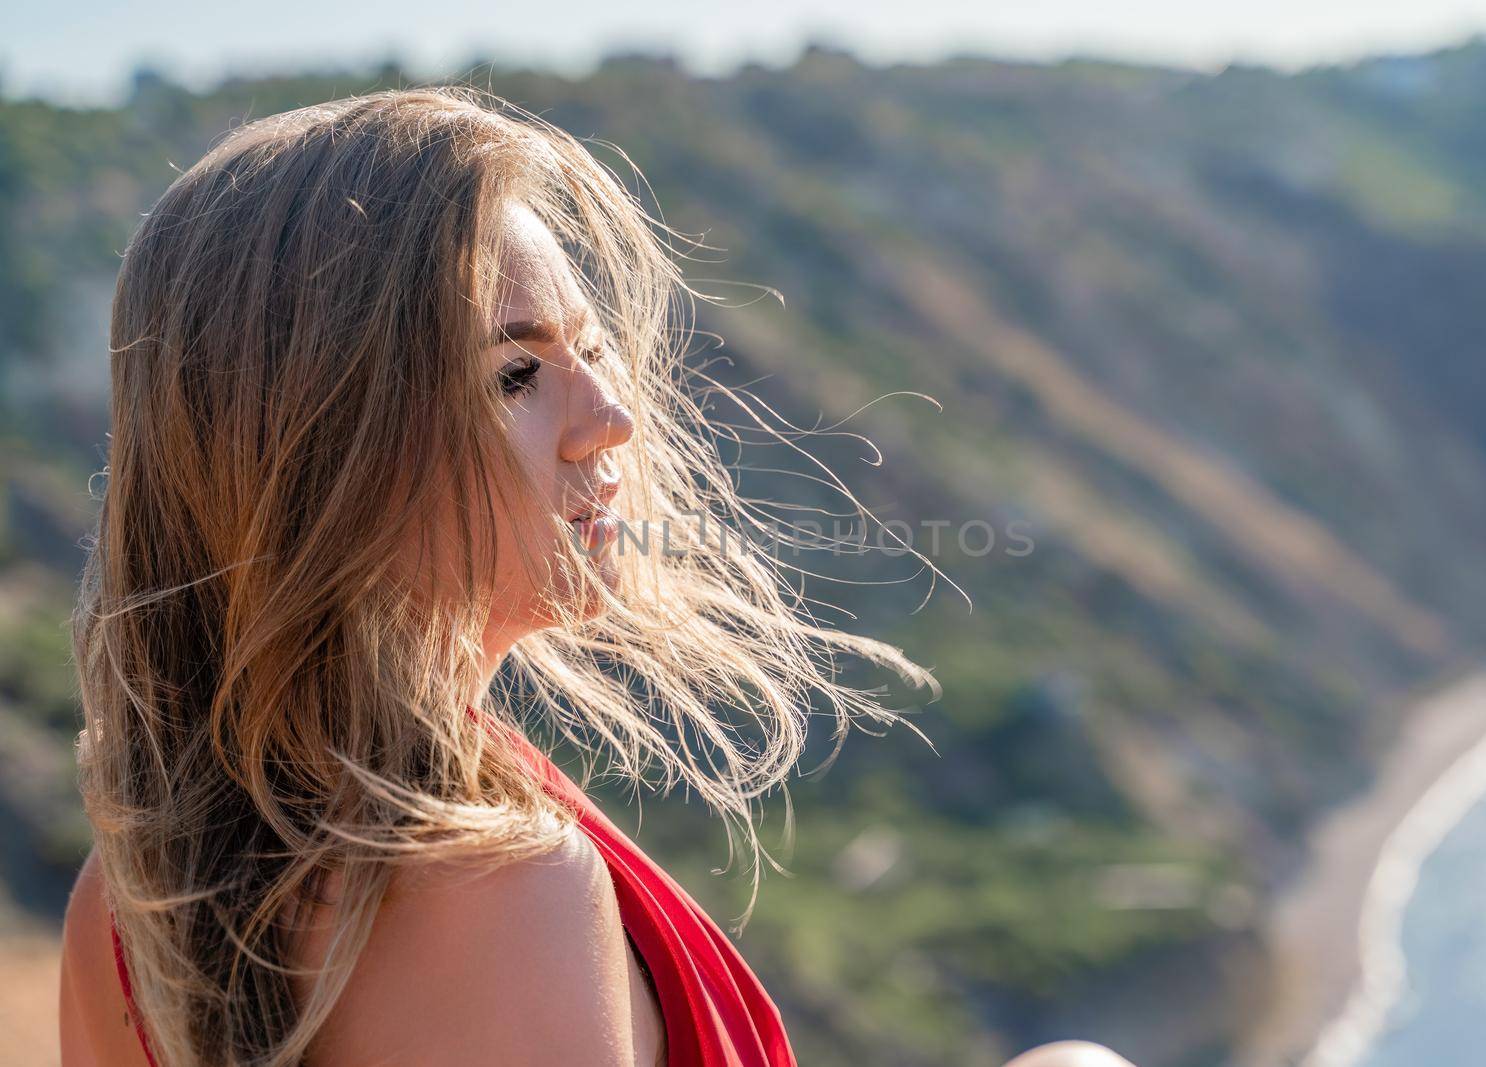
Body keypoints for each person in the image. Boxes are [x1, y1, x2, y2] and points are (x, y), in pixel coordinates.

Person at [55, 84, 1135, 1067]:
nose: (609, 419)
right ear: (314, 445)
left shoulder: (128, 893)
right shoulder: (495, 888)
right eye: (515, 373)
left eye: (594, 349)